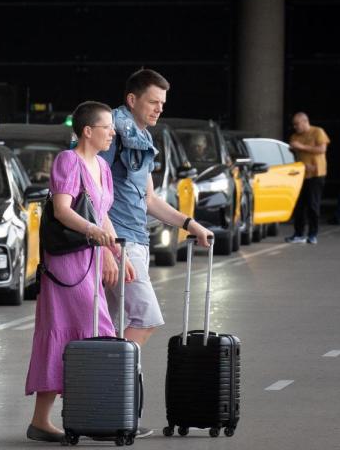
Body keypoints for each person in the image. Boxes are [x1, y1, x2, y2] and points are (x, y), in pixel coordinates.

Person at [99, 69, 213, 439]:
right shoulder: (112, 130)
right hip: (119, 244)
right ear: (132, 99)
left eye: (163, 104)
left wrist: (189, 223)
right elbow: (91, 187)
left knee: (119, 326)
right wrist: (106, 243)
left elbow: (148, 199)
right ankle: (109, 383)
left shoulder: (143, 138)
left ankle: (114, 407)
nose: (159, 109)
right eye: (153, 102)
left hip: (136, 241)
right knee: (146, 318)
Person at [24, 101, 125, 443]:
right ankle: (102, 413)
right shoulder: (69, 161)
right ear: (87, 131)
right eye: (107, 126)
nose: (113, 132)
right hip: (68, 263)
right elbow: (63, 210)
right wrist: (94, 233)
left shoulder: (102, 167)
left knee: (79, 331)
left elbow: (101, 212)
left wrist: (114, 248)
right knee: (95, 330)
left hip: (91, 258)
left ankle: (47, 420)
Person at [286, 112, 330, 244]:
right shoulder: (294, 136)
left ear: (305, 121)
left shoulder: (317, 132)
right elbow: (295, 154)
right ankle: (298, 234)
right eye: (293, 124)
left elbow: (322, 149)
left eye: (297, 124)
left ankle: (313, 234)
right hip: (300, 174)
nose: (295, 127)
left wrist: (301, 146)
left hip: (316, 174)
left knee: (313, 204)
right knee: (299, 206)